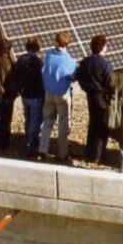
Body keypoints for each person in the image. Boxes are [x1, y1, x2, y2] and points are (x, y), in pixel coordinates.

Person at [39, 31, 77, 163]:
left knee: (47, 122)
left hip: (48, 93)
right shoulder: (70, 61)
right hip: (62, 94)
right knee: (63, 123)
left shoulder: (48, 55)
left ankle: (42, 150)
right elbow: (73, 77)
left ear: (56, 42)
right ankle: (62, 153)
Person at [75, 34, 113, 164]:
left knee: (92, 124)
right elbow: (110, 82)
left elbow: (79, 78)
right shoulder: (106, 64)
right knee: (102, 126)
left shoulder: (85, 62)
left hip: (90, 96)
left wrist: (86, 89)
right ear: (103, 48)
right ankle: (99, 155)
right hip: (102, 97)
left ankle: (90, 153)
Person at [12, 37, 44, 157]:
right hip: (35, 96)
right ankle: (31, 146)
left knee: (28, 118)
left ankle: (27, 140)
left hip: (24, 95)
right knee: (35, 121)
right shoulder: (38, 62)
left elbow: (15, 76)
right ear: (38, 48)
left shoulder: (20, 60)